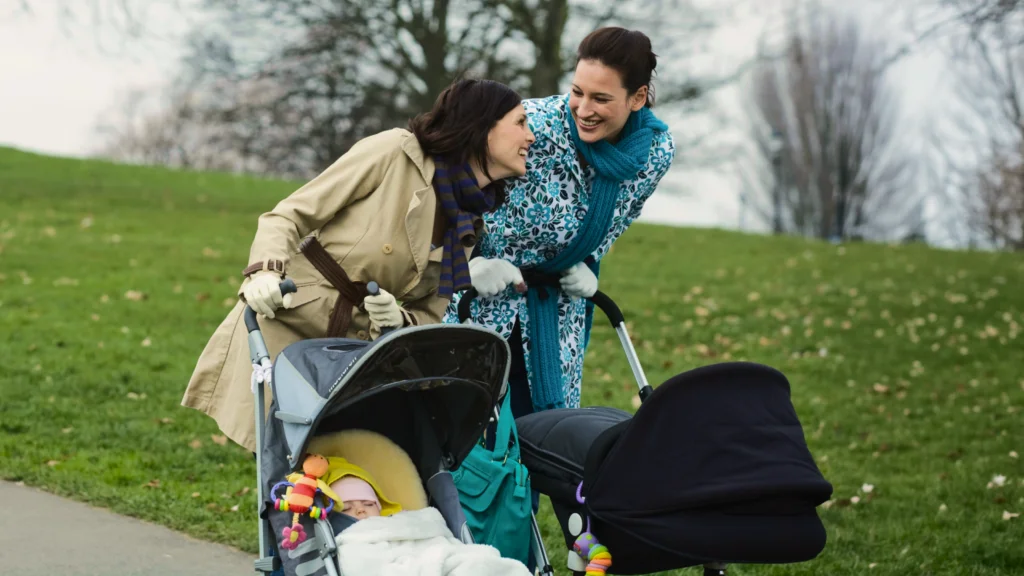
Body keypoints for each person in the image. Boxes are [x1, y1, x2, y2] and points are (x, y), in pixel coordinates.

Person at [182, 78, 535, 452]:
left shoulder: (468, 217)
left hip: (353, 357)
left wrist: (399, 321)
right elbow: (287, 217)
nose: (531, 137)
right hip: (289, 326)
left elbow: (431, 313)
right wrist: (265, 272)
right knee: (282, 481)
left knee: (338, 486)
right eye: (520, 122)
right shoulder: (394, 153)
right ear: (481, 126)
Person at [448, 27, 676, 421]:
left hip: (556, 319)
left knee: (542, 437)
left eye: (601, 98)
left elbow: (618, 220)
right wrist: (465, 263)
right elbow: (447, 187)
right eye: (578, 92)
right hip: (478, 302)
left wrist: (589, 262)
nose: (584, 108)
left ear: (637, 97)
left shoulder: (654, 154)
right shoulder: (531, 126)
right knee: (465, 436)